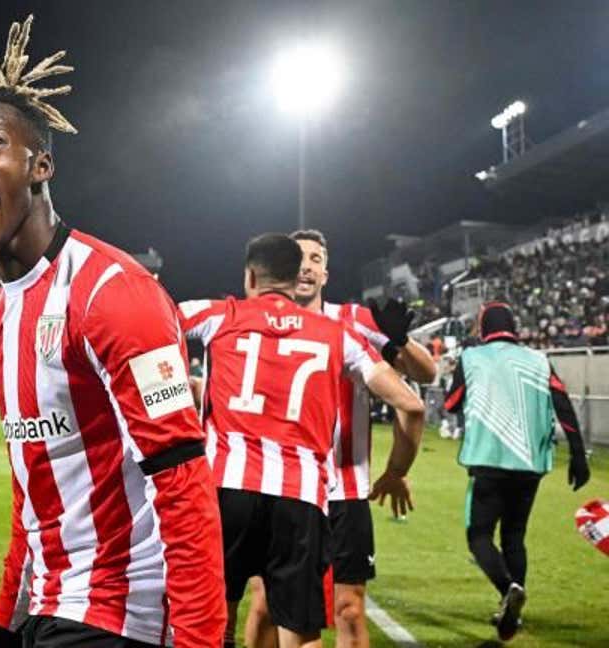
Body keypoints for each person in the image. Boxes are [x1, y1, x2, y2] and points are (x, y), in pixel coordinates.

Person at [0, 16, 225, 648]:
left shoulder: (111, 293)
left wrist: (201, 641)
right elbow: (35, 492)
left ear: (40, 165)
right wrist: (0, 622)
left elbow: (183, 482)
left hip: (119, 615)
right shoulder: (0, 316)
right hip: (47, 605)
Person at [180, 233, 426, 648]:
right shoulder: (337, 334)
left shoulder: (218, 314)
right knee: (299, 626)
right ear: (296, 281)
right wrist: (397, 471)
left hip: (227, 488)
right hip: (302, 498)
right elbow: (412, 404)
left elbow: (148, 327)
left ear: (250, 276)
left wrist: (179, 390)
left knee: (214, 614)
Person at [443, 301, 590, 641]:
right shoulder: (538, 360)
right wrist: (578, 454)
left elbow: (451, 404)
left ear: (483, 329)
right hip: (529, 464)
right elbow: (562, 402)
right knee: (514, 536)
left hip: (488, 460)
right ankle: (510, 613)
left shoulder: (472, 358)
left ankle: (508, 588)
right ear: (514, 328)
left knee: (479, 536)